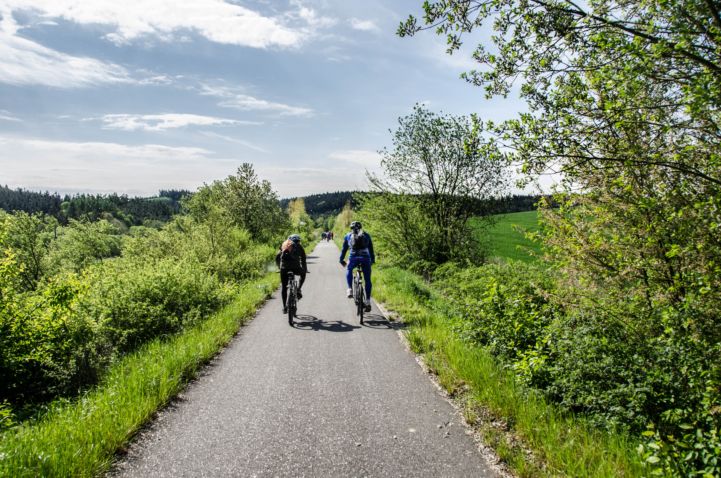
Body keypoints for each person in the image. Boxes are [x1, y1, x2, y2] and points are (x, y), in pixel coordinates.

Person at [339, 221, 374, 312]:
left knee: (349, 268)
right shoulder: (366, 235)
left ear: (351, 228)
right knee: (367, 280)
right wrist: (372, 260)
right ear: (361, 227)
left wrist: (341, 259)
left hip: (353, 258)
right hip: (365, 259)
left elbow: (344, 249)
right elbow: (371, 249)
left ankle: (350, 289)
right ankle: (368, 301)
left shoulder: (348, 236)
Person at [275, 234, 307, 314]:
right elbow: (303, 260)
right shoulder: (299, 247)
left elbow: (277, 257)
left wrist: (279, 267)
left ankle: (284, 307)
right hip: (296, 268)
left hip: (284, 269)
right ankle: (299, 289)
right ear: (298, 241)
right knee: (303, 274)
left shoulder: (284, 245)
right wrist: (304, 269)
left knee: (284, 288)